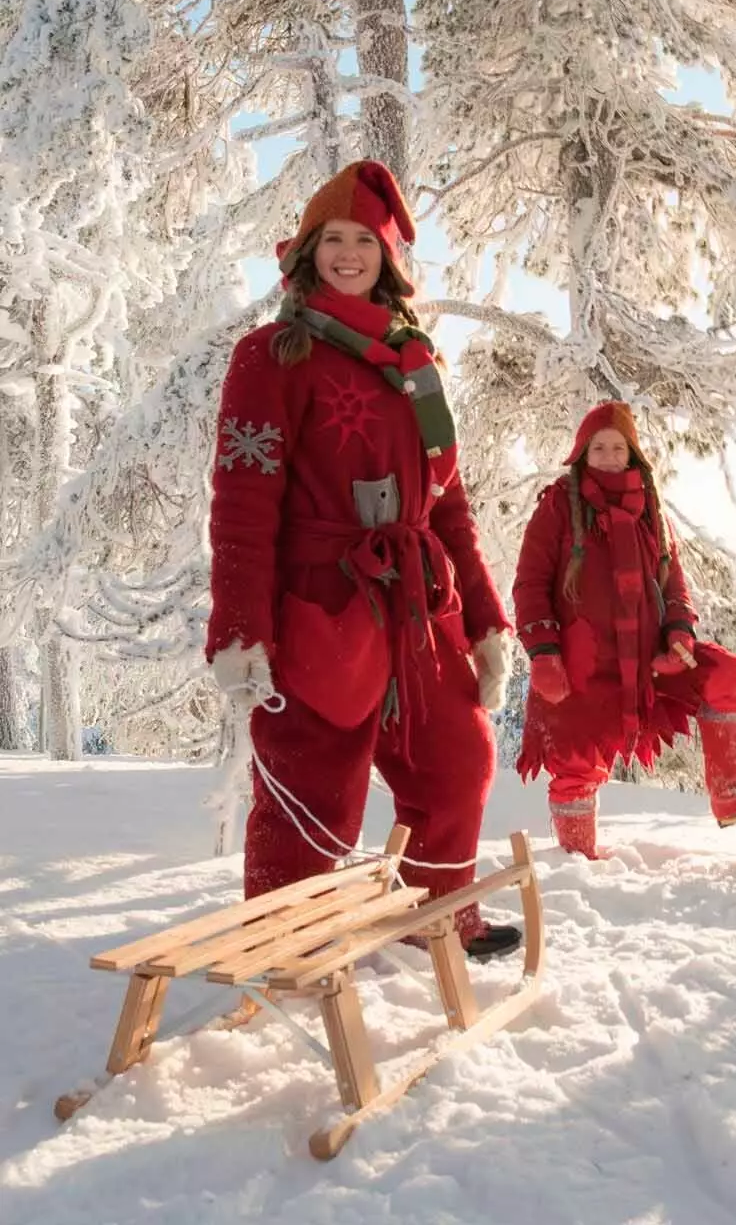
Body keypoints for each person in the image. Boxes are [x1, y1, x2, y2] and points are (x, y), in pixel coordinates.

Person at [206, 159, 520, 960]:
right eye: (333, 239)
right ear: (307, 252)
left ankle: (438, 911)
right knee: (316, 784)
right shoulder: (271, 356)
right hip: (320, 603)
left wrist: (485, 619)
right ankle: (286, 941)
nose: (349, 253)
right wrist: (241, 627)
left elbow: (447, 502)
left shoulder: (418, 363)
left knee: (459, 756)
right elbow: (244, 504)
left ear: (388, 257)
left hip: (416, 608)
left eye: (365, 241)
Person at [512, 401, 736, 858]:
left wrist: (679, 633)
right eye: (598, 447)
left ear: (633, 453)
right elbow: (530, 583)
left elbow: (674, 581)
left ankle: (729, 793)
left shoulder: (650, 507)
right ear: (582, 453)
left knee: (727, 675)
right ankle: (578, 863)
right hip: (582, 661)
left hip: (648, 660)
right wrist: (543, 651)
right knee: (576, 762)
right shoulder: (558, 505)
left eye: (618, 447)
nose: (608, 455)